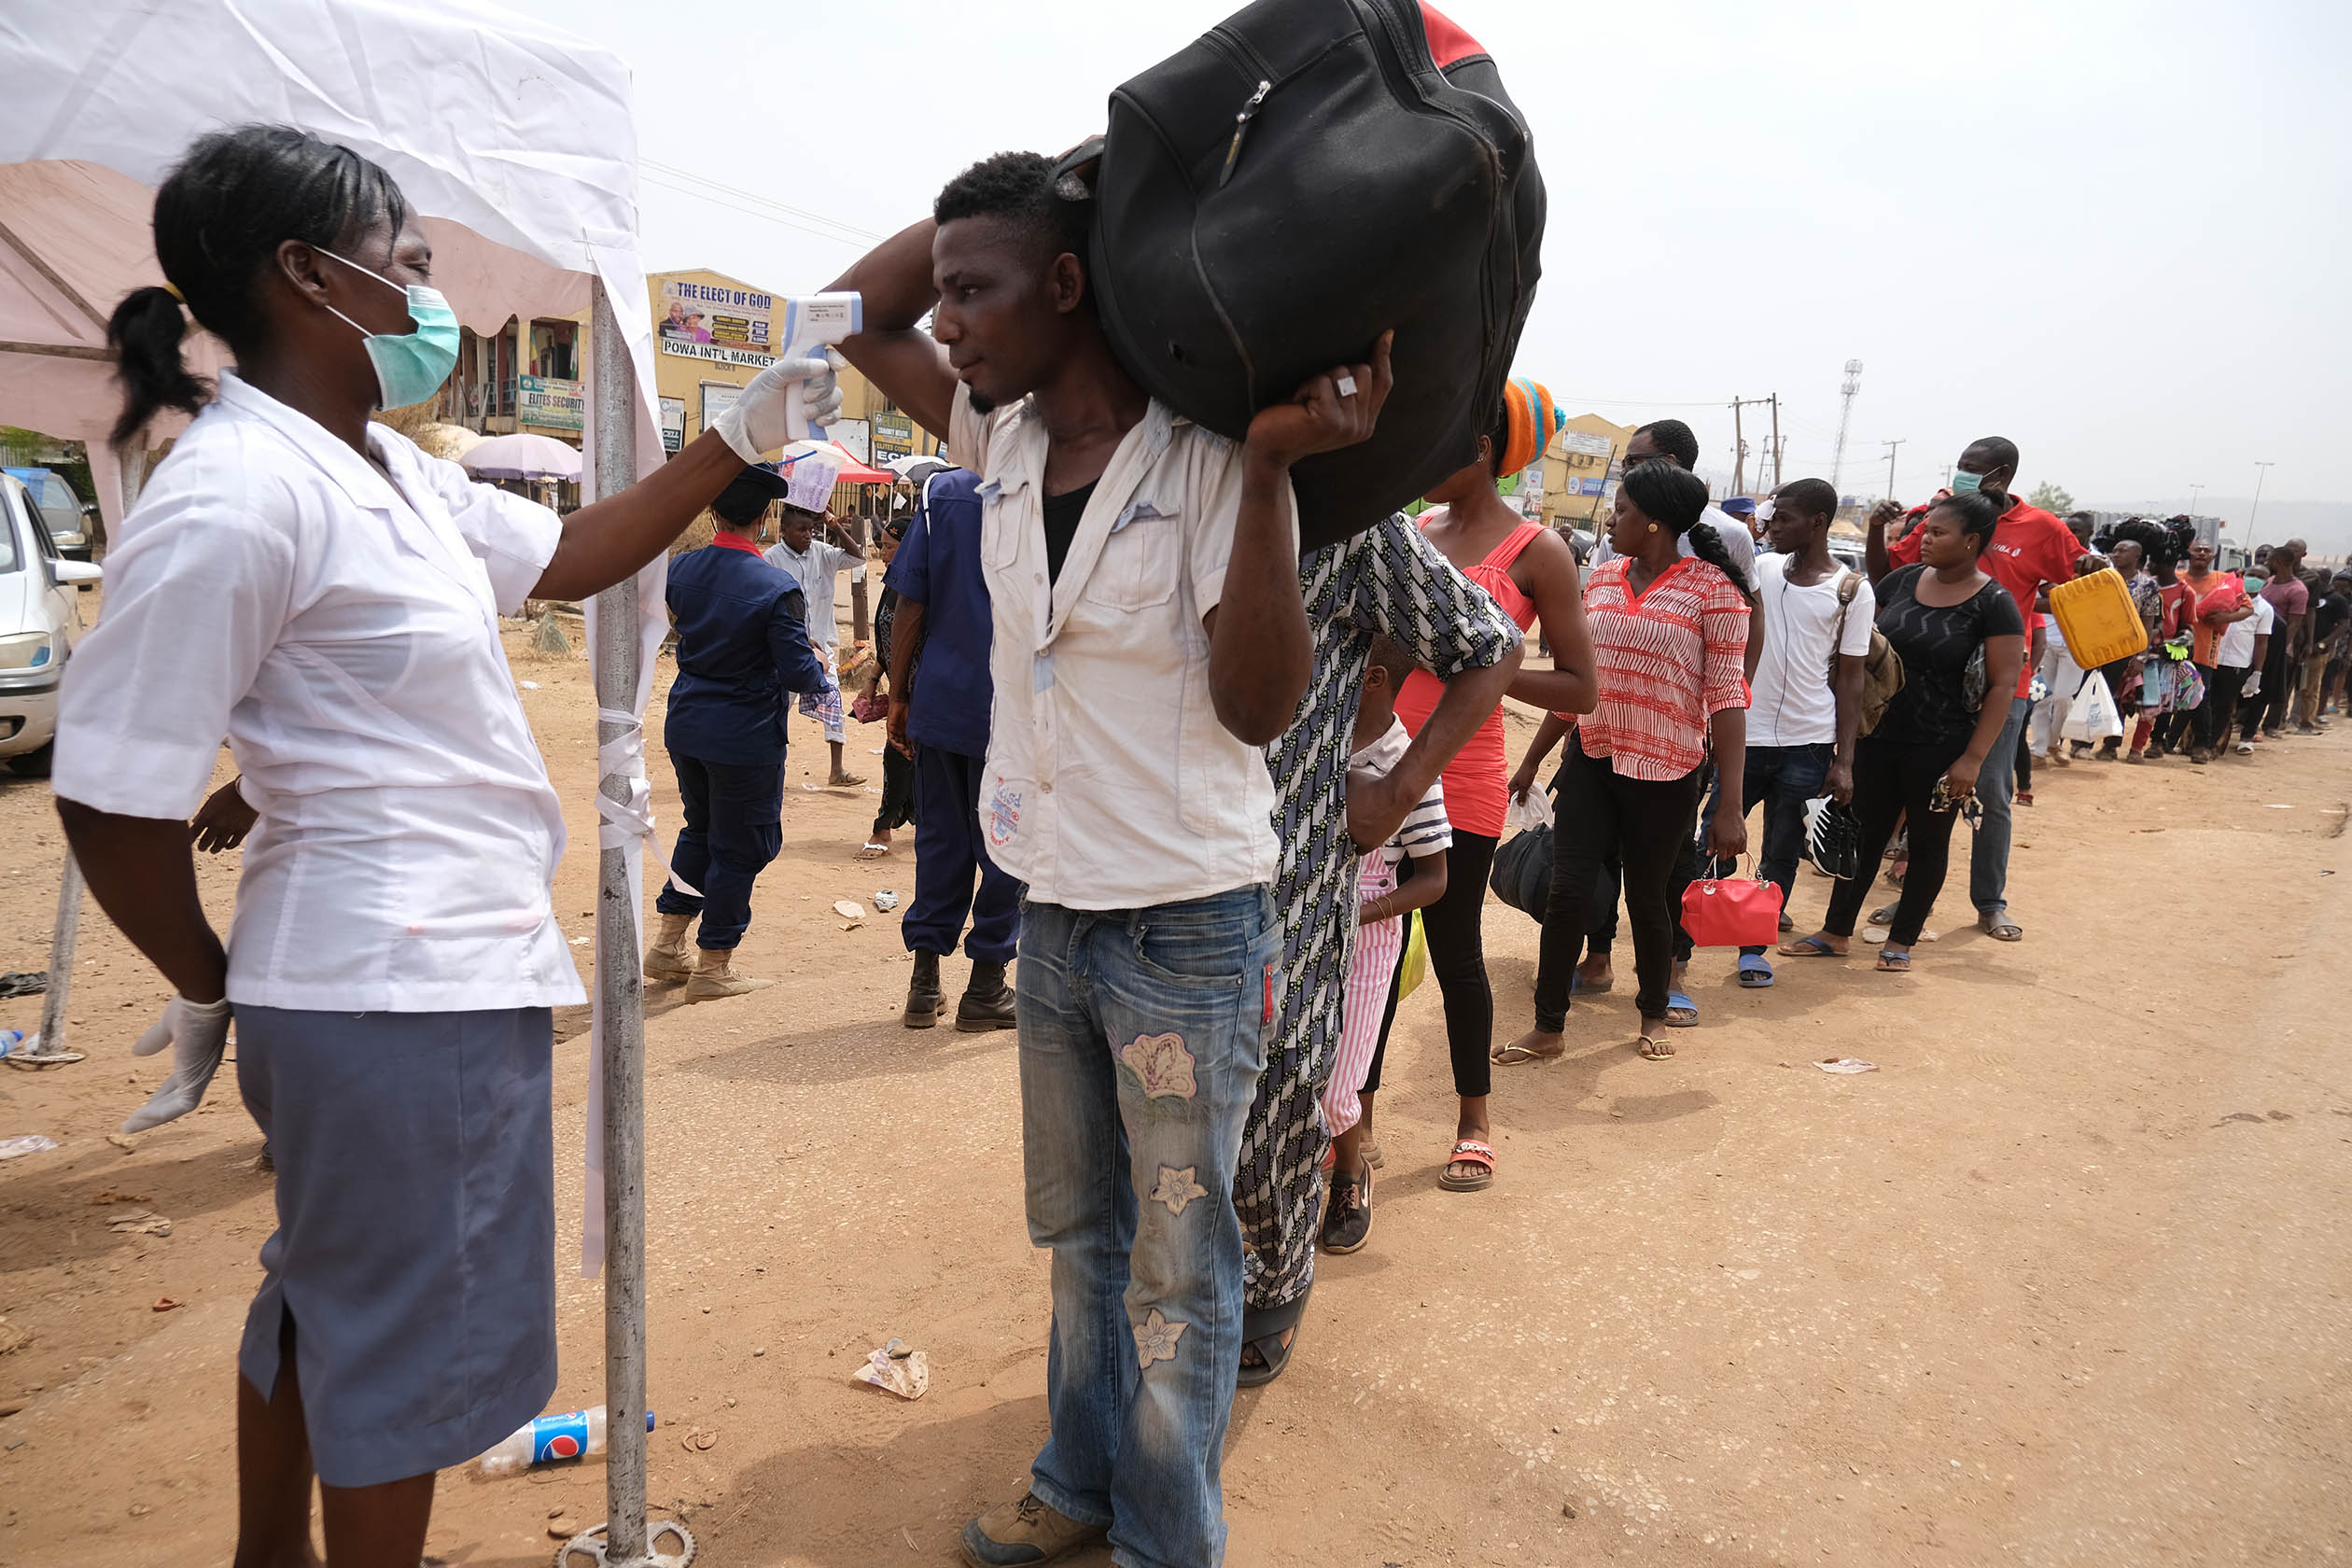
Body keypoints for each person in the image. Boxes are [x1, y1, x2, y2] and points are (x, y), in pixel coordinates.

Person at [49, 125, 841, 1566]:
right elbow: (111, 793)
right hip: (389, 983)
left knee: (331, 1299)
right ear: (310, 276)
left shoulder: (387, 474)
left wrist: (739, 431)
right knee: (408, 1354)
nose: (435, 298)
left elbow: (581, 552)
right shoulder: (240, 494)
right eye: (406, 262)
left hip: (415, 973)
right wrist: (206, 972)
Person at [830, 148, 1389, 1568]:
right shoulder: (997, 449)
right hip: (1058, 912)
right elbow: (861, 308)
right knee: (1079, 1232)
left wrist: (1269, 469)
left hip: (1188, 928)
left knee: (1177, 1264)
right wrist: (1077, 175)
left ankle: (1163, 1537)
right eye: (947, 291)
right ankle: (1076, 1484)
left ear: (1069, 289)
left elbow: (1260, 708)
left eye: (979, 290)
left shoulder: (1207, 459)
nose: (944, 320)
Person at [1237, 508, 1521, 1381]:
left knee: (1304, 1083)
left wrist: (1395, 792)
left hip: (1331, 913)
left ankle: (1279, 1272)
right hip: (1193, 867)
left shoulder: (1354, 523)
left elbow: (1492, 645)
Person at [1388, 378, 1595, 1194]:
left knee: (1454, 951)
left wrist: (1490, 674)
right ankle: (1351, 1120)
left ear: (1481, 450)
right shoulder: (1410, 532)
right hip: (1375, 764)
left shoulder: (1538, 551)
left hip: (1462, 777)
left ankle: (1474, 1116)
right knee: (1359, 943)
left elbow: (1582, 687)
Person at [1496, 459, 1750, 1067]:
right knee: (1567, 893)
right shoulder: (1603, 579)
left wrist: (1730, 804)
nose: (1614, 519)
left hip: (1667, 775)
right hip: (1593, 761)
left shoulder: (1713, 592)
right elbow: (1578, 683)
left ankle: (1653, 1015)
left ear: (1656, 522)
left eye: (1624, 509)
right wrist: (1532, 759)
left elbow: (1728, 699)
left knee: (1650, 899)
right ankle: (1548, 1026)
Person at [1562, 417, 1764, 1020]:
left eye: (1639, 459)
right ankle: (1598, 958)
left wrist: (1717, 705)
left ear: (1671, 462)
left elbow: (1741, 634)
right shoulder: (1614, 546)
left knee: (1662, 877)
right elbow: (1591, 658)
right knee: (1590, 868)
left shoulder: (1726, 537)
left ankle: (1670, 976)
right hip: (1601, 742)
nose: (1629, 468)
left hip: (1672, 751)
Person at [1867, 437, 2100, 942]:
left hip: (1999, 684)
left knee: (1991, 793)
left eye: (1973, 469)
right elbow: (1891, 573)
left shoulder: (2043, 528)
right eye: (1961, 467)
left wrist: (2081, 579)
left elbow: (2078, 581)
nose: (1963, 474)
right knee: (1920, 792)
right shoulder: (1942, 512)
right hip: (1928, 682)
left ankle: (1990, 902)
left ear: (2002, 474)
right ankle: (1912, 902)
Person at [1785, 491, 2026, 973]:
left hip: (1943, 745)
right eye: (1925, 529)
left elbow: (2003, 686)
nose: (1925, 539)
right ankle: (1836, 931)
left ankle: (1901, 940)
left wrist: (1973, 759)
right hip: (1879, 736)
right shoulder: (1904, 581)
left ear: (1971, 541)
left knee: (1930, 842)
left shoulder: (1994, 603)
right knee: (1863, 836)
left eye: (1938, 532)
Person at [644, 464, 834, 998]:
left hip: (687, 724)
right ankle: (713, 965)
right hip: (745, 735)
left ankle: (667, 944)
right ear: (767, 516)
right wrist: (820, 661)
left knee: (700, 830)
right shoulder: (777, 587)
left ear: (712, 514)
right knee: (741, 846)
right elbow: (801, 674)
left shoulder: (681, 570)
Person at [1318, 637, 1454, 1258]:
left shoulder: (1408, 764)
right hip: (1298, 931)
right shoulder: (1312, 740)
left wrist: (1358, 913)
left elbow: (1433, 880)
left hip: (1368, 942)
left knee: (1338, 1088)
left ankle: (1350, 1174)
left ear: (1370, 679)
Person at [1718, 477, 1869, 988]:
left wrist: (1843, 760)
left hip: (1808, 742)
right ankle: (1685, 941)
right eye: (1772, 516)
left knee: (1781, 851)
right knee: (1713, 838)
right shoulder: (1759, 570)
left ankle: (1753, 949)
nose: (1772, 526)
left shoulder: (1851, 590)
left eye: (1785, 519)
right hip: (1746, 734)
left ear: (1818, 523)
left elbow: (1851, 679)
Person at [885, 467, 1022, 1031]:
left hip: (942, 701)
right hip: (1015, 710)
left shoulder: (944, 494)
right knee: (1006, 846)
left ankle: (924, 983)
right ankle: (986, 985)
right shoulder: (1054, 481)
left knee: (940, 837)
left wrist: (898, 692)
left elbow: (909, 603)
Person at [763, 501, 868, 785]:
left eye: (811, 529)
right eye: (801, 530)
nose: (808, 535)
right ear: (784, 530)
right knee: (777, 708)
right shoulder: (771, 559)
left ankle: (837, 770)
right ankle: (771, 768)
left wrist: (833, 524)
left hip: (821, 649)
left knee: (833, 701)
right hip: (786, 649)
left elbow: (858, 558)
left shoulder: (823, 553)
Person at [859, 510, 916, 860]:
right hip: (898, 689)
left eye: (890, 546)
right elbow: (888, 640)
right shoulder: (891, 585)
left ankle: (882, 829)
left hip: (916, 691)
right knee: (906, 756)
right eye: (882, 545)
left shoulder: (916, 588)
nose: (883, 553)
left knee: (899, 757)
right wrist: (873, 680)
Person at [2167, 539, 2254, 763]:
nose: (2202, 553)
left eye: (2207, 551)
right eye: (2198, 549)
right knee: (2167, 694)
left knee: (2201, 698)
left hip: (2205, 648)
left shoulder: (2223, 580)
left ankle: (2201, 746)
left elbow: (2246, 608)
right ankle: (2160, 741)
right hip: (2174, 647)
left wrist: (2227, 617)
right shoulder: (2177, 578)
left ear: (2213, 556)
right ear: (2190, 552)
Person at [2246, 543, 2310, 739]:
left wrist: (2282, 648)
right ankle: (2245, 721)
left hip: (2278, 644)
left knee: (2272, 686)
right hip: (2258, 639)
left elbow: (2294, 623)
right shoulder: (2269, 582)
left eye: (2271, 559)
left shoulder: (2298, 590)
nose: (2267, 562)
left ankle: (2270, 724)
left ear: (2279, 562)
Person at [2215, 565, 2275, 756]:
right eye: (2251, 575)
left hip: (2237, 663)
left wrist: (2257, 672)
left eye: (2260, 576)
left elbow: (2262, 643)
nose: (2254, 579)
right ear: (2243, 575)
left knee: (2224, 707)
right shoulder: (2225, 597)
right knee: (2203, 702)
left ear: (2266, 581)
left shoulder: (2265, 609)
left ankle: (2211, 744)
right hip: (2213, 658)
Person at [2299, 568, 2350, 730]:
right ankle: (2291, 719)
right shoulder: (2308, 595)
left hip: (2320, 650)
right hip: (2301, 647)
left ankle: (2309, 720)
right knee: (2297, 686)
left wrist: (2323, 644)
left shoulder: (2337, 600)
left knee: (2313, 686)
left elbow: (2343, 626)